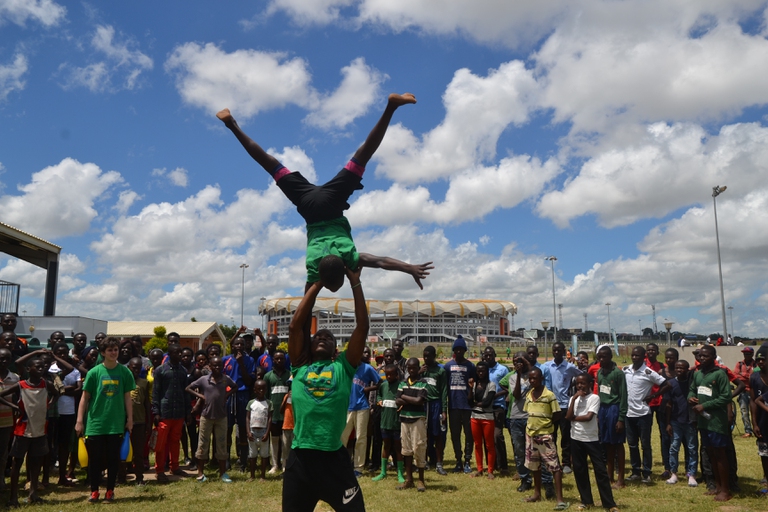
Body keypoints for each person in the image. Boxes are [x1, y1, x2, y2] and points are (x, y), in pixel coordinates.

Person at [217, 93, 433, 292]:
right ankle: (231, 124)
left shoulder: (348, 258)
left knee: (363, 154)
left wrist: (409, 267)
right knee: (270, 164)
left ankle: (391, 107)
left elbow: (380, 261)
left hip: (332, 203)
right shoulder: (314, 267)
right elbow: (302, 313)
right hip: (308, 205)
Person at [282, 265, 368, 511]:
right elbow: (294, 327)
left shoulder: (344, 367)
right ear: (308, 346)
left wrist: (355, 283)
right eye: (317, 336)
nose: (322, 337)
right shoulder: (299, 366)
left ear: (335, 351)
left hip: (334, 461)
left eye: (328, 337)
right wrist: (318, 284)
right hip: (301, 461)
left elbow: (362, 327)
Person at [75, 336, 135, 503]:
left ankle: (110, 491)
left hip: (115, 423)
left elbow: (127, 397)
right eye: (110, 350)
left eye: (115, 350)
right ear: (103, 353)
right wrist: (79, 421)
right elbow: (84, 398)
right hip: (95, 423)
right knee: (94, 460)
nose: (113, 353)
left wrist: (130, 419)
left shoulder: (125, 372)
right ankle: (94, 491)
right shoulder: (94, 373)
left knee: (113, 459)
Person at [0, 356, 57, 506]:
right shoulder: (21, 385)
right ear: (27, 369)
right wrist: (14, 407)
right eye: (37, 366)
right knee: (17, 464)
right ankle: (13, 497)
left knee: (36, 463)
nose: (41, 369)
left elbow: (58, 393)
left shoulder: (46, 384)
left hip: (39, 430)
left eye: (43, 366)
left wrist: (51, 403)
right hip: (22, 431)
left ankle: (33, 494)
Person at [566, 373, 618, 512]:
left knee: (600, 471)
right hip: (576, 438)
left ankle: (609, 503)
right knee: (580, 470)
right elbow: (567, 416)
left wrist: (573, 418)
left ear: (590, 384)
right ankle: (586, 501)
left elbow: (588, 417)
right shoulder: (573, 399)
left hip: (591, 440)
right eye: (578, 383)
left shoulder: (594, 398)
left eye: (583, 383)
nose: (580, 386)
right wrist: (573, 400)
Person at [522, 367, 569, 511]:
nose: (532, 381)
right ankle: (537, 494)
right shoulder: (529, 394)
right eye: (530, 378)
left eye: (535, 378)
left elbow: (557, 414)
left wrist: (547, 426)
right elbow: (528, 412)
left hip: (545, 436)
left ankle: (560, 499)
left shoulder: (549, 395)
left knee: (554, 466)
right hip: (531, 435)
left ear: (541, 379)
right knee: (534, 465)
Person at [689, 344, 732, 501]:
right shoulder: (698, 374)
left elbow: (726, 397)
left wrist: (704, 405)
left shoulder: (720, 374)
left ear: (713, 358)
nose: (701, 358)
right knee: (711, 454)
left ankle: (726, 490)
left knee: (720, 454)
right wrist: (690, 397)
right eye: (700, 355)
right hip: (703, 421)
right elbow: (693, 389)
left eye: (705, 356)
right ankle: (717, 486)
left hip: (716, 421)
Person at [186, 356, 236, 483]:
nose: (217, 367)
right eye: (215, 365)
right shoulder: (204, 380)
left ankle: (223, 473)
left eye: (219, 365)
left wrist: (227, 395)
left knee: (221, 444)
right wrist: (201, 396)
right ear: (210, 366)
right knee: (203, 443)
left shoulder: (225, 379)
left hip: (221, 417)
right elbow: (188, 388)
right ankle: (200, 473)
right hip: (206, 416)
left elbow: (235, 387)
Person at [623, 346, 669, 483]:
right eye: (633, 355)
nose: (634, 357)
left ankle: (647, 472)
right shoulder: (626, 370)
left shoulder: (648, 372)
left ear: (644, 357)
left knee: (645, 444)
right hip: (628, 413)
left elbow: (666, 384)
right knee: (632, 444)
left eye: (637, 355)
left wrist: (654, 395)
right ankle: (635, 471)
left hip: (643, 413)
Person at [151, 343, 191, 482]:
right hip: (164, 412)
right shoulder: (160, 371)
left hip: (179, 412)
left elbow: (186, 393)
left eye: (180, 353)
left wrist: (188, 412)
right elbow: (155, 393)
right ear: (169, 354)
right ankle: (160, 470)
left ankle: (175, 466)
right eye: (176, 353)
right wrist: (156, 411)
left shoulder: (182, 371)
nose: (180, 355)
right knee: (161, 443)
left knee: (175, 441)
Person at [542, 341, 581, 473]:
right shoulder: (546, 366)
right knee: (551, 436)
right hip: (550, 407)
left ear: (564, 351)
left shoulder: (570, 367)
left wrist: (578, 392)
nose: (557, 352)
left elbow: (582, 376)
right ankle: (553, 461)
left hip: (564, 406)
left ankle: (566, 463)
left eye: (559, 350)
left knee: (566, 436)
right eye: (555, 350)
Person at [341, 345, 379, 478]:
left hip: (362, 407)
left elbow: (380, 382)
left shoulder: (367, 368)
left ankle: (358, 468)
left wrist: (368, 389)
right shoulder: (346, 367)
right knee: (342, 438)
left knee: (361, 438)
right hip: (346, 407)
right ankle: (341, 465)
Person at [595, 346, 627, 490]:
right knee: (607, 443)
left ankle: (621, 478)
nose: (601, 360)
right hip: (603, 410)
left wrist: (621, 418)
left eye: (604, 357)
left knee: (618, 443)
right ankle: (609, 475)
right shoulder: (600, 373)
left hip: (614, 409)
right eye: (599, 357)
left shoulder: (618, 374)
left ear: (610, 357)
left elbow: (623, 397)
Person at [222, 336, 256, 472]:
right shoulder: (225, 360)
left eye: (242, 344)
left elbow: (249, 381)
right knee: (227, 429)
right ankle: (226, 461)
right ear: (233, 346)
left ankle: (243, 462)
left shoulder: (250, 360)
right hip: (229, 396)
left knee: (243, 429)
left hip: (242, 395)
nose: (240, 346)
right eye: (237, 344)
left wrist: (241, 363)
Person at [396, 357, 428, 492]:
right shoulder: (402, 382)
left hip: (417, 420)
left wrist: (404, 397)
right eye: (409, 368)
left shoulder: (423, 383)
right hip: (404, 420)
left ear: (418, 368)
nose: (411, 370)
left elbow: (420, 401)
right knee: (406, 450)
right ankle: (409, 479)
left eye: (414, 368)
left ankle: (421, 479)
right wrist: (409, 399)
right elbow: (397, 400)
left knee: (419, 448)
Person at [665, 359, 698, 487]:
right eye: (677, 368)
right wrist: (668, 423)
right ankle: (674, 473)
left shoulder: (692, 384)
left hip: (690, 421)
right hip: (675, 421)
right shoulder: (671, 384)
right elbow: (668, 404)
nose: (679, 370)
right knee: (674, 447)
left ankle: (692, 474)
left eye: (682, 368)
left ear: (687, 369)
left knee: (692, 448)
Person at [445, 335, 476, 473]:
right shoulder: (448, 366)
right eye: (456, 349)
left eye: (461, 349)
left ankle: (468, 460)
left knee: (469, 435)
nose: (458, 352)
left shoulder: (470, 366)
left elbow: (474, 386)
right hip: (453, 406)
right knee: (455, 435)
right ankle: (459, 461)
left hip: (467, 406)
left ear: (464, 350)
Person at [372, 364, 404, 483]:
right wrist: (379, 401)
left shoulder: (401, 386)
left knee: (398, 448)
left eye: (391, 374)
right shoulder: (383, 385)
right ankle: (383, 472)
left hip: (396, 422)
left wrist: (402, 404)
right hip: (385, 421)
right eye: (387, 374)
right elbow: (378, 395)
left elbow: (404, 398)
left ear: (397, 375)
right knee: (386, 446)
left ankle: (400, 472)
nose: (389, 376)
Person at [420, 345, 448, 475]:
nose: (426, 358)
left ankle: (439, 463)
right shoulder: (422, 370)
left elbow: (443, 391)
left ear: (434, 356)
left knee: (437, 435)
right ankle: (423, 462)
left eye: (428, 356)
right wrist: (419, 372)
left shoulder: (440, 371)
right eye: (424, 356)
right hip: (423, 404)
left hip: (436, 404)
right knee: (423, 435)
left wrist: (443, 410)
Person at [482, 346, 509, 475]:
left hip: (498, 406)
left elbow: (507, 388)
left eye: (490, 355)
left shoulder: (503, 369)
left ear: (495, 355)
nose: (488, 357)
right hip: (485, 407)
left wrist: (495, 395)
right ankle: (491, 465)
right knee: (486, 437)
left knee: (497, 435)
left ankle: (503, 465)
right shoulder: (482, 369)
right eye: (486, 355)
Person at [264, 349, 292, 475]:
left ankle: (285, 464)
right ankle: (275, 465)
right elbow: (265, 396)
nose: (279, 360)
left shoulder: (290, 375)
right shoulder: (268, 376)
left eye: (281, 358)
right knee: (274, 439)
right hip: (273, 413)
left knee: (286, 441)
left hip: (286, 414)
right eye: (277, 358)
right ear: (273, 360)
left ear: (285, 360)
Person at [468, 361, 496, 479]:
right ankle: (479, 469)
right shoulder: (473, 385)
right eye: (478, 370)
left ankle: (490, 470)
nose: (480, 373)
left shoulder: (491, 385)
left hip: (487, 418)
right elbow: (469, 402)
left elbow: (487, 402)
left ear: (486, 371)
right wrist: (470, 389)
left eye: (482, 370)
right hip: (474, 418)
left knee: (489, 445)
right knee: (477, 444)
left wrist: (476, 404)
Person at [127, 357, 150, 485]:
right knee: (122, 450)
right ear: (129, 367)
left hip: (140, 421)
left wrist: (148, 422)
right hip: (124, 421)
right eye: (133, 367)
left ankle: (139, 477)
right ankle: (121, 476)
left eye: (138, 367)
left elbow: (147, 403)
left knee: (138, 451)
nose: (136, 370)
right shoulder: (123, 382)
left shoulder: (144, 383)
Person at [749, 347, 768, 496]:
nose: (761, 362)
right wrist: (754, 423)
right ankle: (766, 478)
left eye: (764, 359)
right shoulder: (754, 378)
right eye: (758, 360)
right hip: (762, 421)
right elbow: (753, 401)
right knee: (764, 452)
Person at [0, 348, 19, 492]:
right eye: (1, 358)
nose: (3, 361)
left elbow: (18, 397)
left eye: (7, 358)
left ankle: (1, 481)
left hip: (6, 421)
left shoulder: (15, 378)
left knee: (3, 452)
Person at [246, 379, 272, 481]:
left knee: (264, 455)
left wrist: (267, 432)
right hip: (252, 432)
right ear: (255, 390)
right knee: (252, 455)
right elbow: (247, 418)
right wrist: (248, 432)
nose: (261, 391)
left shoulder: (268, 403)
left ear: (266, 390)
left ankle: (262, 476)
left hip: (263, 433)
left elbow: (270, 419)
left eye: (263, 389)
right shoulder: (251, 403)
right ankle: (252, 475)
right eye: (258, 389)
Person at [736, 347, 756, 438]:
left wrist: (743, 375)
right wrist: (748, 376)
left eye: (748, 353)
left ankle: (758, 428)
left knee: (756, 412)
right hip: (743, 392)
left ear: (752, 354)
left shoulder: (756, 364)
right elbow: (736, 376)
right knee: (744, 412)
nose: (746, 355)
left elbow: (756, 377)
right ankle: (748, 430)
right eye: (745, 353)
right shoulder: (739, 364)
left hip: (754, 392)